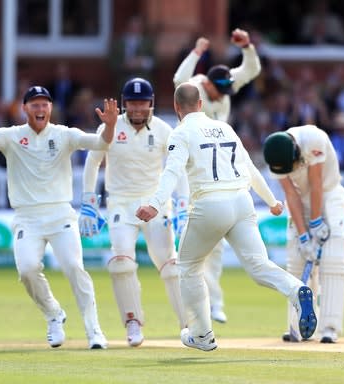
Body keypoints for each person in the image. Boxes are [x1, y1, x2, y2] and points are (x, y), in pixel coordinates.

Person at [135, 83, 317, 351]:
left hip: (210, 204)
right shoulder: (225, 127)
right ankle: (296, 289)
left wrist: (153, 204)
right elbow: (251, 168)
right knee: (258, 265)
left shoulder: (180, 132)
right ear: (200, 104)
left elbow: (171, 173)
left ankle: (202, 334)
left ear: (177, 107)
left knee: (187, 267)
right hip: (243, 202)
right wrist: (272, 201)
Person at [0, 77, 117, 349]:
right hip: (27, 217)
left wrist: (110, 126)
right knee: (28, 270)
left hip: (60, 214)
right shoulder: (11, 136)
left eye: (44, 104)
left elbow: (100, 143)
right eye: (34, 105)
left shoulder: (64, 134)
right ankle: (53, 314)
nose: (40, 109)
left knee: (74, 268)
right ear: (25, 108)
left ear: (51, 108)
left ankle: (94, 332)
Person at [79, 77, 187, 347]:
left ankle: (189, 324)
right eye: (132, 103)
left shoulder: (164, 130)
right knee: (121, 262)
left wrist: (183, 204)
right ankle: (132, 322)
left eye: (143, 103)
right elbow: (92, 162)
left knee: (171, 266)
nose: (138, 109)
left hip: (155, 203)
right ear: (125, 105)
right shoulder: (110, 127)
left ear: (151, 104)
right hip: (121, 204)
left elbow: (177, 167)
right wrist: (89, 202)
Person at [173, 28, 261, 323]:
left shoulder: (223, 82)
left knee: (219, 242)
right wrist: (197, 52)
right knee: (193, 241)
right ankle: (200, 306)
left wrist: (247, 46)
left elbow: (252, 68)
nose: (222, 95)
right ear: (207, 84)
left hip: (219, 167)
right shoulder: (197, 85)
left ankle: (216, 303)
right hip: (192, 168)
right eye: (217, 90)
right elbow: (177, 80)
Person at [262, 125, 344, 343]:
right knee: (296, 260)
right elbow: (291, 193)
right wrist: (303, 236)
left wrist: (317, 222)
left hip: (329, 195)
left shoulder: (314, 139)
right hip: (300, 199)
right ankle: (298, 325)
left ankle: (330, 327)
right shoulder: (274, 155)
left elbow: (316, 184)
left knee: (332, 259)